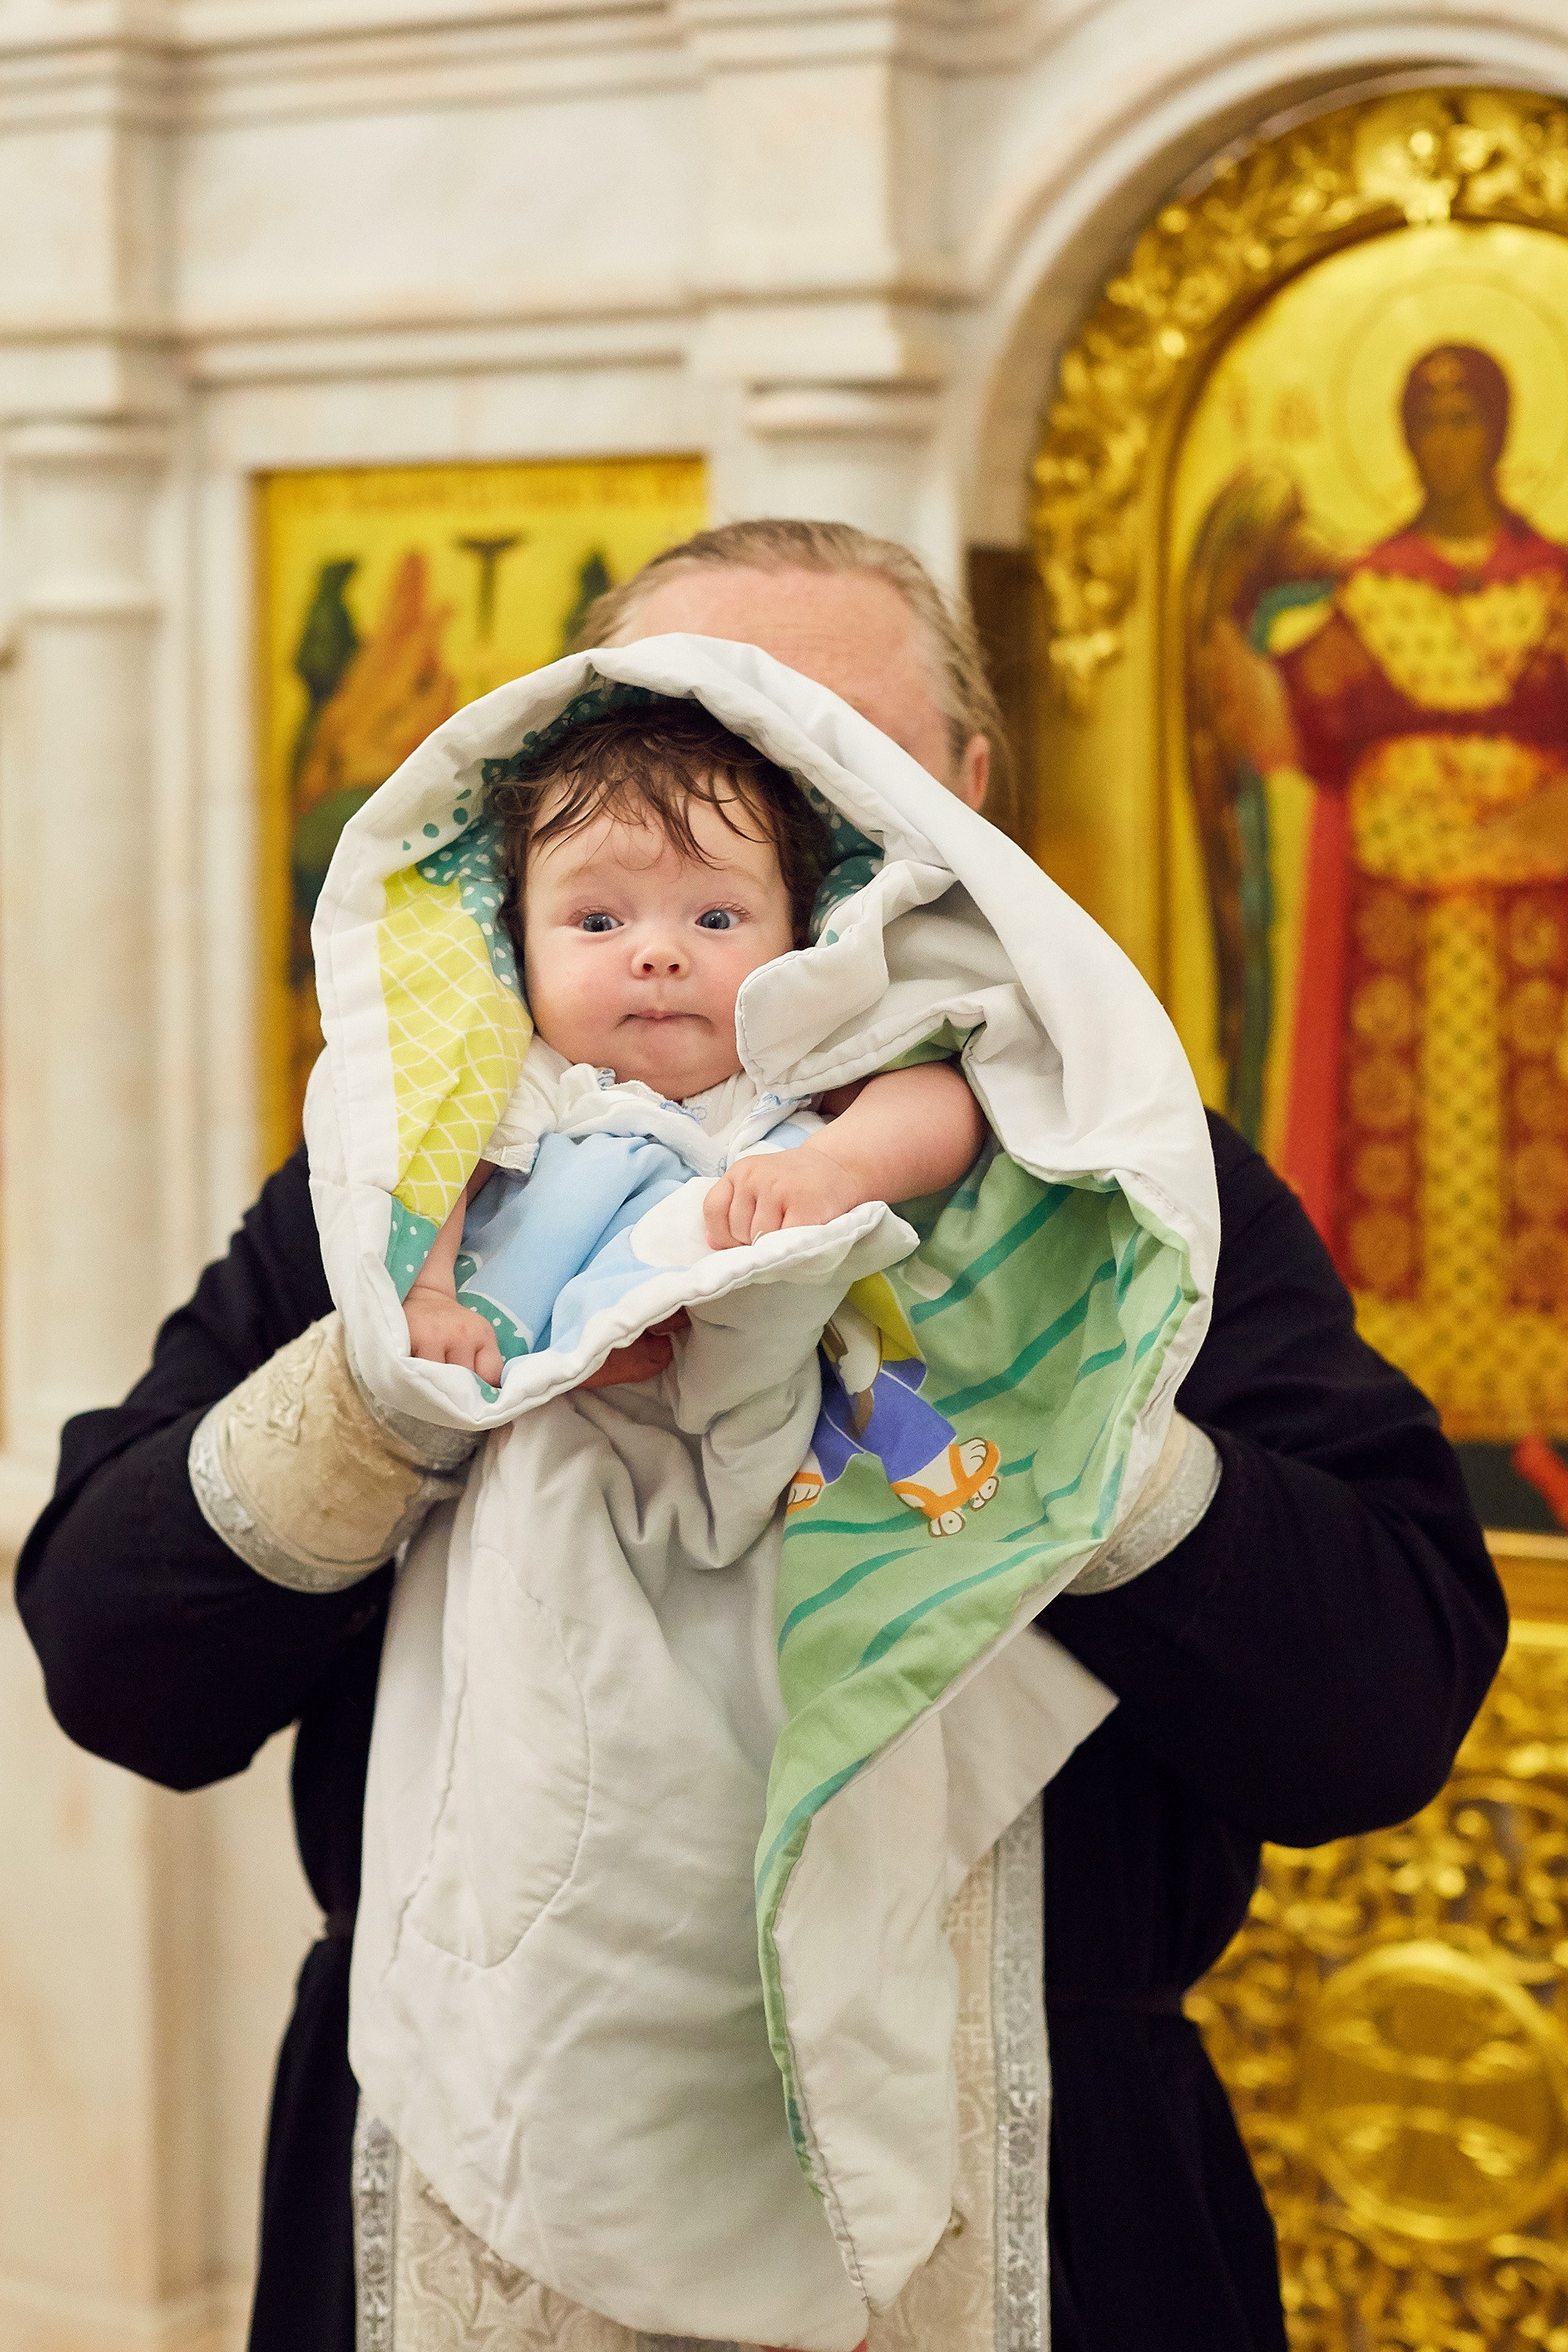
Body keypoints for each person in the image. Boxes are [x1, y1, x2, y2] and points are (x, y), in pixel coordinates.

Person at [16, 517, 1507, 2352]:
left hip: (1020, 2205)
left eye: (831, 768)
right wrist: (397, 1393)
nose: (710, 869)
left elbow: (1370, 1710)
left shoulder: (1127, 1198)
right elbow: (113, 1663)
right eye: (685, 749)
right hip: (463, 2184)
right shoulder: (409, 1188)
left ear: (960, 798)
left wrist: (1035, 1412)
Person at [1202, 344, 1568, 1464]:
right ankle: (1420, 1388)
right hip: (1395, 936)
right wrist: (1218, 620)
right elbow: (1299, 727)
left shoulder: (1553, 585)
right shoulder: (1373, 590)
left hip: (1537, 931)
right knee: (1397, 1157)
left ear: (1503, 430)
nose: (1449, 439)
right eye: (1430, 417)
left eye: (1468, 416)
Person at [402, 697, 983, 1381]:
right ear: (519, 942)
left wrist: (836, 1168)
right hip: (566, 1405)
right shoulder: (530, 1079)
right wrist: (429, 1293)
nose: (658, 954)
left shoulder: (787, 1059)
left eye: (714, 917)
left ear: (795, 940)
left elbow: (943, 1104)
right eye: (596, 922)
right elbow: (431, 1165)